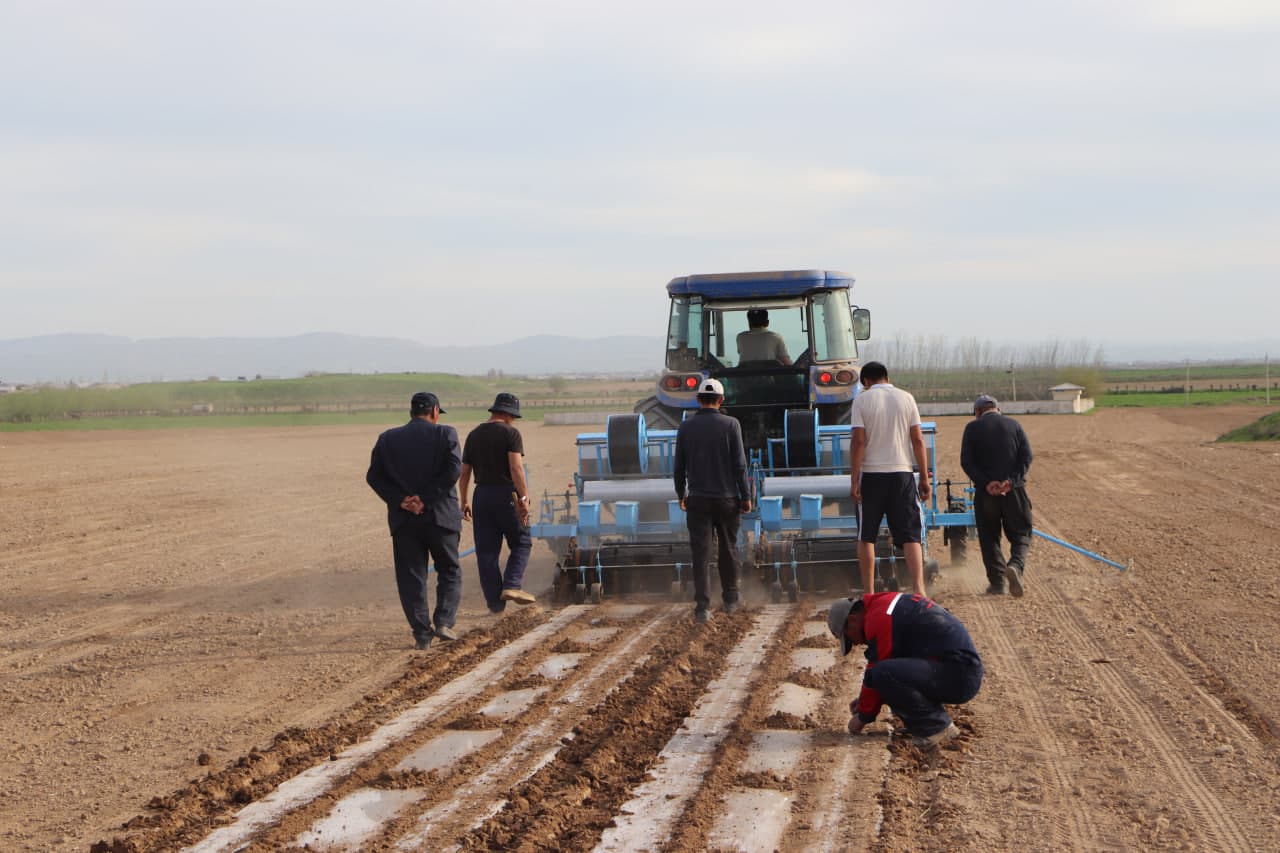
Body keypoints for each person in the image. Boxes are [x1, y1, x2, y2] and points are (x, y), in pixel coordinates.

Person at [366, 392, 463, 650]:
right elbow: (453, 470)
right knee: (449, 570)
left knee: (412, 577)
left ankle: (421, 634)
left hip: (404, 521)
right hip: (441, 517)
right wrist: (426, 499)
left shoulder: (387, 439)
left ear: (411, 412)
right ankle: (443, 622)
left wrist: (401, 500)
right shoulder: (446, 434)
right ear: (434, 411)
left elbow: (374, 477)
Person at [827, 592, 983, 749]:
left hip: (959, 675)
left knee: (884, 673)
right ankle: (928, 723)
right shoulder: (883, 605)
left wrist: (862, 716)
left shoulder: (879, 617)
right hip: (957, 669)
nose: (855, 643)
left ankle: (937, 729)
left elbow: (878, 667)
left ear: (853, 620)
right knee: (886, 674)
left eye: (849, 639)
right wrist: (864, 701)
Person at [673, 378, 753, 622]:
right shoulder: (731, 425)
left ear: (698, 400)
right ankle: (730, 600)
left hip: (698, 499)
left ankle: (703, 607)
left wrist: (681, 494)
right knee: (729, 549)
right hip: (727, 499)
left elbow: (679, 467)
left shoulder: (686, 427)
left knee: (701, 553)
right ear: (721, 400)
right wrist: (746, 495)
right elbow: (739, 464)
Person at [848, 361, 931, 595]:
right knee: (911, 535)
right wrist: (923, 478)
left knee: (866, 536)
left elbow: (858, 441)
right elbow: (918, 440)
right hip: (902, 475)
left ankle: (869, 593)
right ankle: (918, 589)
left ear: (865, 381)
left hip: (872, 476)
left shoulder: (862, 400)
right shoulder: (907, 398)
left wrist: (854, 480)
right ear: (886, 376)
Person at [458, 392, 535, 612]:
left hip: (481, 496)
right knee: (522, 541)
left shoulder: (473, 435)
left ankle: (495, 604)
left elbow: (464, 474)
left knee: (486, 551)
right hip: (506, 494)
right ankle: (511, 584)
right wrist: (524, 498)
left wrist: (463, 501)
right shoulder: (511, 434)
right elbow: (516, 468)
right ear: (509, 414)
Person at [960, 394, 1034, 597]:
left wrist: (986, 483)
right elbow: (1027, 456)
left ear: (977, 412)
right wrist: (1011, 481)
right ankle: (1016, 566)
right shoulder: (1014, 425)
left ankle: (998, 584)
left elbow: (966, 462)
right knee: (1022, 533)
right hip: (1014, 491)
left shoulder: (972, 428)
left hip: (986, 496)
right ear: (997, 409)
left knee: (989, 536)